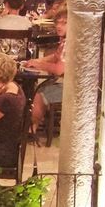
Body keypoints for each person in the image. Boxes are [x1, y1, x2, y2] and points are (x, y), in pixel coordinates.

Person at [27, 11, 68, 140]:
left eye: (64, 23)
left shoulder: (70, 43)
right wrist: (36, 61)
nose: (59, 26)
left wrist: (38, 65)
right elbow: (55, 57)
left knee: (40, 94)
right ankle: (32, 125)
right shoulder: (65, 41)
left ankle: (31, 130)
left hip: (71, 89)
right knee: (38, 88)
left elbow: (58, 70)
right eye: (58, 23)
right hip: (64, 83)